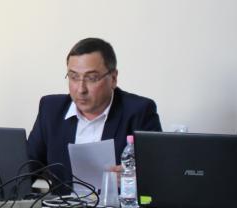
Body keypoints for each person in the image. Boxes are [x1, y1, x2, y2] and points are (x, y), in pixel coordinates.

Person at [26, 37, 161, 188]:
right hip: (63, 203)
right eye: (74, 77)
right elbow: (25, 168)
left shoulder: (139, 112)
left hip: (115, 203)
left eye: (91, 78)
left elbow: (158, 175)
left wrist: (134, 178)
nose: (81, 89)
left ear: (113, 78)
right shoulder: (51, 110)